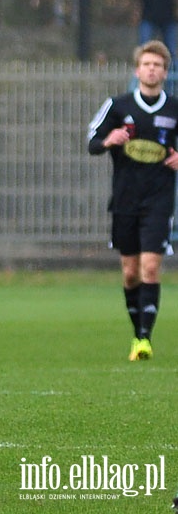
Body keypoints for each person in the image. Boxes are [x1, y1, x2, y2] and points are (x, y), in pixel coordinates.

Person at [86, 40, 178, 362]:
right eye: (147, 64)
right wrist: (109, 140)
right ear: (138, 69)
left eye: (158, 65)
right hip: (125, 199)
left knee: (151, 268)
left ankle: (143, 339)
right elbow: (92, 142)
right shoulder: (118, 105)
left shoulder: (173, 108)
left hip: (159, 200)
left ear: (165, 72)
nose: (152, 69)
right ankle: (136, 330)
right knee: (130, 272)